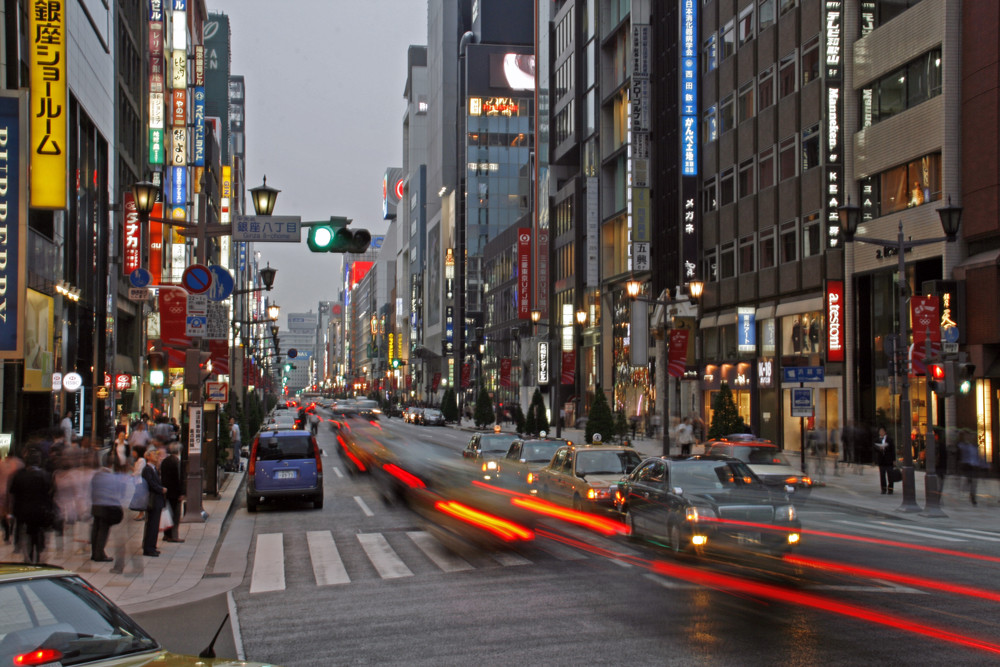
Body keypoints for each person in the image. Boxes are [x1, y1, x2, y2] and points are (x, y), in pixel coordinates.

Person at [9, 449, 54, 563]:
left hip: (23, 511)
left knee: (26, 534)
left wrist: (11, 510)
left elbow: (13, 494)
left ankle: (27, 556)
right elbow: (51, 493)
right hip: (40, 511)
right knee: (38, 533)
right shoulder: (45, 475)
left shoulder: (19, 476)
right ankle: (38, 552)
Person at [90, 454, 127, 562]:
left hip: (96, 505)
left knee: (95, 529)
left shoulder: (96, 475)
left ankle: (94, 552)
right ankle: (99, 554)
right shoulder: (110, 477)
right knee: (103, 530)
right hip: (106, 507)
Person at [140, 448, 166, 556]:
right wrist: (161, 489)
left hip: (157, 500)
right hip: (152, 500)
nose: (156, 456)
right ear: (148, 457)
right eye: (153, 455)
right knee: (151, 524)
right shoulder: (147, 469)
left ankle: (152, 546)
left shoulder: (154, 469)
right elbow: (150, 483)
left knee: (155, 525)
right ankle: (148, 548)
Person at [160, 443, 184, 543]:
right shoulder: (176, 462)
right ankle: (173, 536)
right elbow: (178, 479)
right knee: (175, 515)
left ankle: (166, 534)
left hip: (166, 491)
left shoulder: (165, 461)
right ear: (179, 451)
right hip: (175, 492)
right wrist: (181, 493)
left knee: (168, 513)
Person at [956, 429, 985, 505]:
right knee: (971, 480)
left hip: (974, 465)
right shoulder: (963, 445)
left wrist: (981, 464)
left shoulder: (975, 447)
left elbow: (978, 457)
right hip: (967, 465)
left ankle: (972, 495)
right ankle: (970, 492)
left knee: (973, 482)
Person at [874, 426, 896, 494]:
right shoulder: (877, 439)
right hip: (881, 460)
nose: (881, 433)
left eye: (882, 431)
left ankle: (890, 488)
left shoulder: (889, 439)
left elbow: (893, 450)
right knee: (882, 475)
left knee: (890, 475)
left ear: (885, 432)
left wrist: (894, 460)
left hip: (889, 460)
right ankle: (883, 488)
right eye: (880, 431)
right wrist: (879, 448)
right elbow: (874, 448)